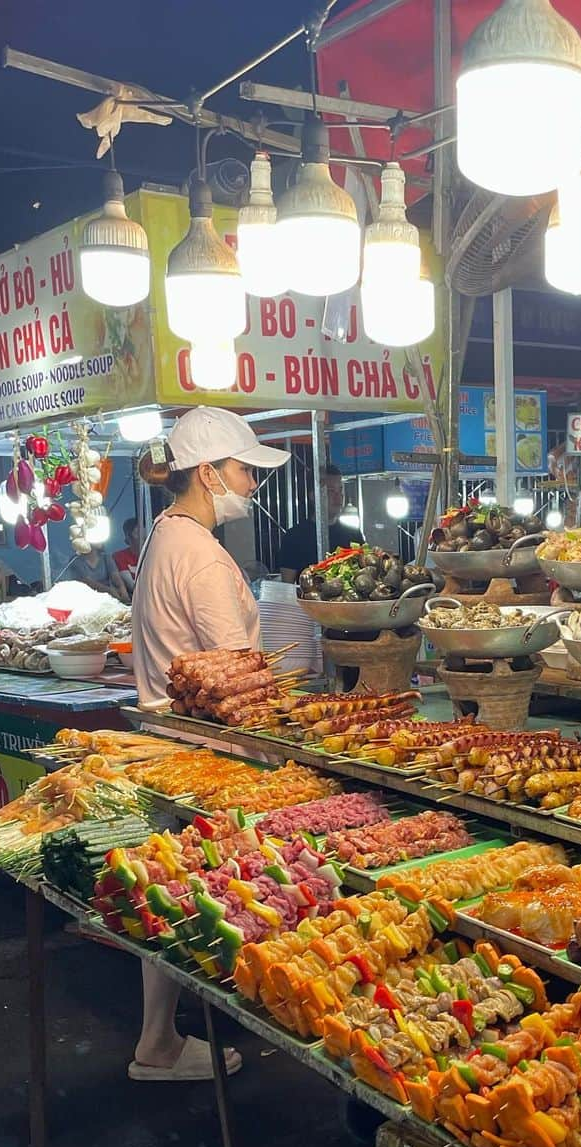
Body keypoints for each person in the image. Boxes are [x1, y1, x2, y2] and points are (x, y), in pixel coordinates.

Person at [130, 406, 290, 1080]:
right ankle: (166, 1042)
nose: (251, 484)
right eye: (243, 470)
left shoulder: (163, 537)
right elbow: (239, 677)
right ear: (206, 472)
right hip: (207, 757)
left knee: (177, 887)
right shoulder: (201, 558)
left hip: (171, 746)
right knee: (208, 889)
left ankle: (158, 1039)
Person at [277, 467, 364, 582]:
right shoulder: (294, 537)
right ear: (313, 496)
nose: (338, 497)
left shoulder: (354, 534)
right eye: (330, 491)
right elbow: (287, 584)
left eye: (340, 490)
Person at [112, 516, 142, 596]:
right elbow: (132, 586)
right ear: (128, 537)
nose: (142, 536)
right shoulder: (120, 557)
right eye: (137, 533)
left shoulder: (154, 555)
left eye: (144, 532)